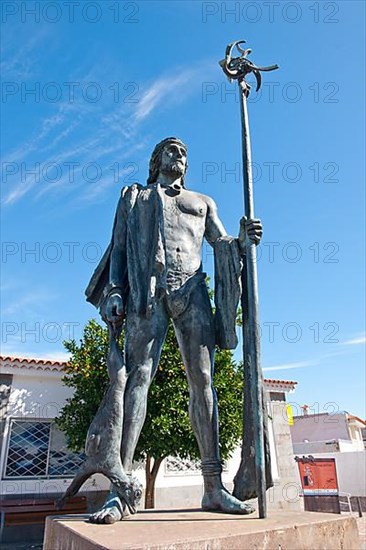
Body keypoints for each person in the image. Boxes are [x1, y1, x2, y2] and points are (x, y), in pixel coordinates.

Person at [85, 137, 263, 523]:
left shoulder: (203, 202)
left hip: (193, 290)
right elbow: (118, 248)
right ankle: (120, 488)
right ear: (157, 160)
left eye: (184, 151)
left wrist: (243, 240)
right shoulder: (135, 198)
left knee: (203, 381)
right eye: (171, 150)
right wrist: (115, 290)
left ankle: (213, 488)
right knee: (138, 379)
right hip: (149, 291)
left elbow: (222, 243)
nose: (179, 156)